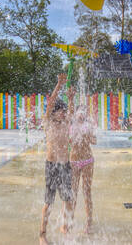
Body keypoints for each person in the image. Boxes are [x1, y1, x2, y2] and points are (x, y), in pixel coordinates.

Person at [40, 73, 73, 245]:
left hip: (65, 165)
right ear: (53, 112)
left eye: (64, 110)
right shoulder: (48, 123)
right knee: (49, 202)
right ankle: (42, 233)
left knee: (68, 200)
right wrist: (59, 84)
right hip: (52, 165)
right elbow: (50, 102)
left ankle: (64, 227)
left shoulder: (66, 123)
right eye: (60, 110)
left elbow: (72, 113)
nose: (63, 113)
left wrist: (71, 99)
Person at [67, 87, 96, 234]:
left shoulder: (88, 125)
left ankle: (89, 223)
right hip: (73, 162)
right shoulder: (71, 125)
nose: (81, 115)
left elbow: (94, 140)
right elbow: (67, 141)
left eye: (84, 112)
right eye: (79, 112)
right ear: (76, 113)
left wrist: (89, 137)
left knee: (86, 192)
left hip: (87, 161)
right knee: (73, 193)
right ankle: (69, 221)